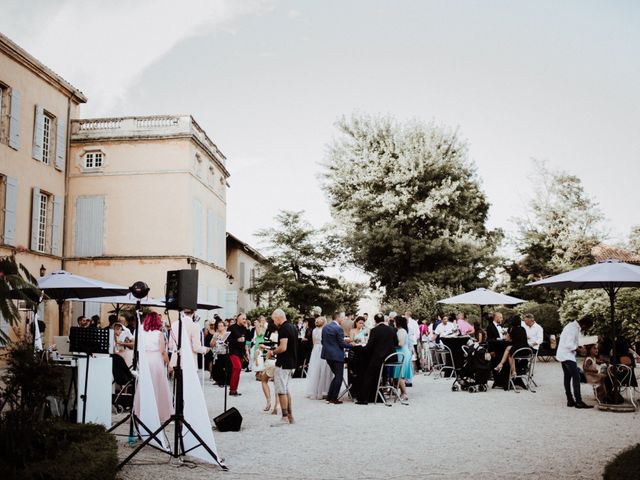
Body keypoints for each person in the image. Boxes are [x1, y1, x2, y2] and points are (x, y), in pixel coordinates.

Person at [135, 312, 173, 423]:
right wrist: (169, 364)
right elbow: (162, 351)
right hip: (156, 360)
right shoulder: (159, 334)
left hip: (145, 360)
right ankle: (158, 412)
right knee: (158, 385)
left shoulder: (142, 333)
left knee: (145, 385)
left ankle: (142, 411)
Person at [356, 313, 398, 405]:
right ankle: (377, 396)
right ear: (383, 320)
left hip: (380, 358)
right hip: (392, 358)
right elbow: (396, 343)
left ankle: (364, 398)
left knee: (368, 373)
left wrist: (362, 349)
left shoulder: (374, 330)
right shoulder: (392, 329)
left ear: (375, 321)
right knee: (376, 371)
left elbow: (370, 346)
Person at [266, 308, 298, 425]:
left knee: (281, 390)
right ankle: (290, 416)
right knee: (286, 389)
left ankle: (285, 417)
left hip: (284, 363)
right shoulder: (293, 327)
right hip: (291, 362)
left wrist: (272, 352)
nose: (274, 323)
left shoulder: (284, 328)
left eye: (274, 320)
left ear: (278, 318)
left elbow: (283, 347)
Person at [557, 316, 594, 408]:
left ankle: (570, 400)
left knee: (567, 377)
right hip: (567, 355)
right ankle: (578, 401)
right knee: (576, 377)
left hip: (563, 354)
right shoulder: (573, 329)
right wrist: (579, 350)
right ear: (584, 324)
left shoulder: (572, 326)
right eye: (587, 327)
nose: (585, 329)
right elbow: (569, 344)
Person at [321, 311, 352, 404]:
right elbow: (342, 343)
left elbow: (323, 341)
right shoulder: (338, 328)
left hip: (327, 355)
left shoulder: (325, 327)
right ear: (337, 317)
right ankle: (334, 398)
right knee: (339, 376)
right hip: (337, 355)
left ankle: (330, 396)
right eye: (342, 317)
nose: (343, 319)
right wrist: (353, 345)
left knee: (336, 376)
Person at [305, 316, 334, 400]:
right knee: (315, 369)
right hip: (316, 350)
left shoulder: (325, 330)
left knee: (324, 369)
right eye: (317, 320)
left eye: (319, 319)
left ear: (324, 322)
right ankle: (316, 390)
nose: (317, 320)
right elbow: (314, 342)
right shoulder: (314, 330)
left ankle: (324, 390)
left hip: (322, 348)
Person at [227, 313, 249, 396]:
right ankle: (232, 390)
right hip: (233, 351)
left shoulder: (244, 328)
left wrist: (247, 328)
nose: (244, 320)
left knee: (237, 370)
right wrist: (237, 340)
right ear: (238, 319)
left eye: (245, 318)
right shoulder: (231, 328)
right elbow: (227, 340)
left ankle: (234, 390)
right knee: (237, 367)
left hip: (241, 352)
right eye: (243, 318)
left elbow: (248, 339)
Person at [394, 315, 412, 402]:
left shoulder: (401, 331)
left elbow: (400, 343)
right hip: (404, 352)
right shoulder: (403, 330)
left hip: (401, 353)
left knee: (399, 374)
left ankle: (404, 393)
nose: (393, 323)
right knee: (400, 374)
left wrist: (391, 345)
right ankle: (402, 392)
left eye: (395, 321)